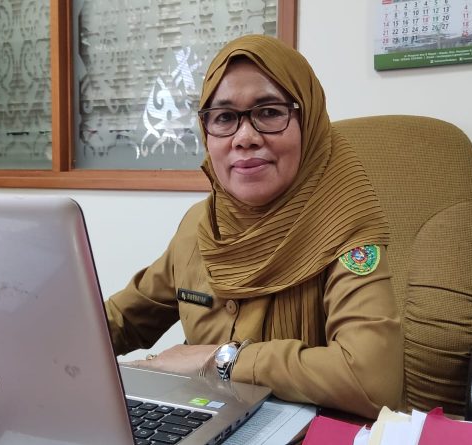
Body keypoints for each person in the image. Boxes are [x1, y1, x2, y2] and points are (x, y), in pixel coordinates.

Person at [105, 34, 403, 419]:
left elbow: (371, 380)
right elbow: (125, 318)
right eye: (224, 117)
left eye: (270, 112)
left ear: (308, 121)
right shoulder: (200, 225)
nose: (245, 138)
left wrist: (220, 359)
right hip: (206, 421)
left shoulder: (344, 227)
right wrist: (44, 335)